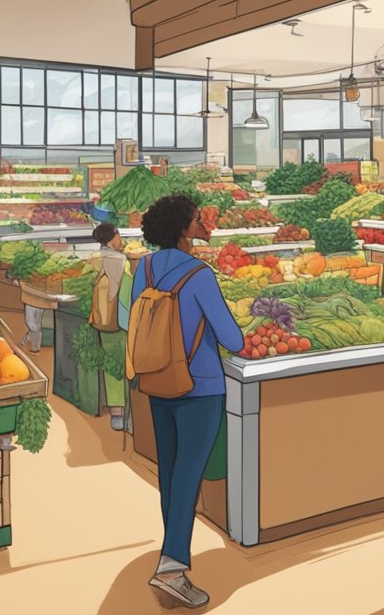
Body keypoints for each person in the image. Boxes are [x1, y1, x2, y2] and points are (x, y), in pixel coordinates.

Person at [130, 194, 243, 609]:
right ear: (183, 228)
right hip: (201, 387)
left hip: (158, 383)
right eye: (197, 219)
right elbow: (233, 339)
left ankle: (170, 552)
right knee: (190, 475)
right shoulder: (199, 274)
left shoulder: (142, 267)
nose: (202, 225)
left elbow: (132, 320)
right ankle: (172, 569)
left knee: (172, 474)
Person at [91, 223, 128, 431]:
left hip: (103, 318)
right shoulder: (121, 261)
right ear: (112, 238)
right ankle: (125, 413)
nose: (120, 238)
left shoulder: (96, 259)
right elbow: (128, 290)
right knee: (122, 363)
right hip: (121, 319)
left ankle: (116, 412)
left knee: (110, 363)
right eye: (118, 235)